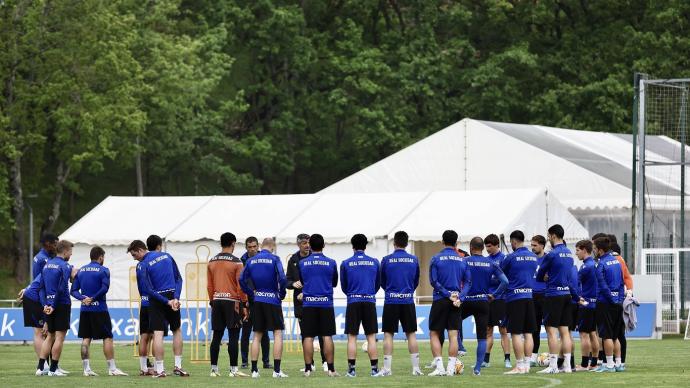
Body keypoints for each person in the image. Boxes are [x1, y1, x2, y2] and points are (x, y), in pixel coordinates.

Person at [70, 246, 127, 376]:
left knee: (86, 338)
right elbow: (105, 288)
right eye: (103, 257)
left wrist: (83, 299)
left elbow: (73, 291)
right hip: (99, 309)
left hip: (85, 309)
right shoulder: (104, 270)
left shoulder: (81, 270)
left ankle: (86, 369)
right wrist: (93, 298)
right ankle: (112, 369)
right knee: (107, 337)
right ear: (101, 257)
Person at [141, 234, 188, 377]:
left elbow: (148, 289)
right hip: (171, 296)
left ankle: (160, 370)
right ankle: (178, 366)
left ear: (148, 247)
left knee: (158, 334)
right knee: (177, 330)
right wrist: (175, 298)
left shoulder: (144, 263)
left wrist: (166, 301)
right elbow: (178, 279)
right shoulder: (168, 256)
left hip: (157, 299)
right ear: (159, 246)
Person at [239, 238, 288, 378]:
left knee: (257, 335)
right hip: (272, 299)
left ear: (260, 246)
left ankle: (254, 371)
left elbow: (241, 280)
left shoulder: (250, 260)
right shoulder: (274, 258)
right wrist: (281, 294)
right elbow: (283, 278)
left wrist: (251, 293)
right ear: (272, 246)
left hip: (258, 299)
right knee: (277, 333)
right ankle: (277, 371)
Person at [535, 224, 580, 374]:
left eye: (548, 236)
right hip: (566, 294)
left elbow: (540, 274)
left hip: (553, 295)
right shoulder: (569, 253)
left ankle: (553, 366)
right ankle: (567, 365)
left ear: (553, 236)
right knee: (565, 331)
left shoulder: (552, 254)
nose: (548, 239)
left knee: (551, 331)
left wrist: (546, 277)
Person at [427, 230, 471, 377]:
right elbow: (469, 282)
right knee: (453, 335)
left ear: (442, 241)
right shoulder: (462, 260)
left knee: (434, 333)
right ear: (456, 243)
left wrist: (447, 294)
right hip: (456, 301)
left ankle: (440, 368)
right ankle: (451, 369)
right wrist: (460, 297)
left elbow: (434, 281)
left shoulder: (436, 258)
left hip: (441, 299)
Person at [463, 236, 508, 376]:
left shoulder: (465, 261)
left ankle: (459, 347)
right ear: (483, 248)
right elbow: (505, 281)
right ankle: (477, 368)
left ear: (471, 247)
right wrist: (494, 295)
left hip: (467, 300)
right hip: (483, 302)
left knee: (453, 323)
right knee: (482, 337)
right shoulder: (490, 263)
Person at [380, 231, 422, 376]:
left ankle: (387, 369)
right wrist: (407, 291)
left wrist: (392, 291)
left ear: (394, 243)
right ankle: (416, 369)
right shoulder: (414, 259)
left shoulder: (386, 259)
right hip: (407, 300)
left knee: (388, 335)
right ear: (407, 243)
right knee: (411, 334)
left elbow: (382, 281)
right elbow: (415, 281)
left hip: (391, 300)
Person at [297, 234, 339, 377]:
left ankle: (308, 369)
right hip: (326, 303)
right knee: (327, 336)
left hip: (309, 304)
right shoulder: (331, 262)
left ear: (310, 245)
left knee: (308, 337)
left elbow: (303, 281)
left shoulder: (303, 263)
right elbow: (334, 283)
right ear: (323, 246)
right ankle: (331, 369)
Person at [207, 232, 248, 377]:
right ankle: (233, 370)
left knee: (216, 336)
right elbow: (240, 286)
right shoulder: (237, 262)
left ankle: (214, 369)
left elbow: (209, 286)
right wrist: (244, 303)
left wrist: (213, 301)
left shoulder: (212, 261)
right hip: (232, 302)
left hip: (217, 300)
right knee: (233, 336)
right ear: (233, 243)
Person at [340, 234, 381, 377]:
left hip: (353, 301)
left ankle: (351, 371)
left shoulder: (345, 263)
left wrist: (353, 294)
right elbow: (377, 284)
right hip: (369, 301)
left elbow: (344, 286)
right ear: (365, 246)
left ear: (352, 246)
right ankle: (374, 370)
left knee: (352, 337)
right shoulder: (374, 262)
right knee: (371, 337)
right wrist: (369, 293)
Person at [286, 233, 327, 372]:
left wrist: (307, 291)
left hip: (316, 299)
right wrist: (293, 284)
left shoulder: (315, 257)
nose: (307, 245)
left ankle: (325, 362)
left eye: (308, 242)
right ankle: (310, 365)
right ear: (298, 244)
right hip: (300, 303)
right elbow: (287, 281)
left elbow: (319, 279)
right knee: (306, 334)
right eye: (304, 243)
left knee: (322, 333)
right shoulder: (293, 260)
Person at [501, 230, 538, 375]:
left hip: (515, 298)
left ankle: (519, 365)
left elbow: (500, 274)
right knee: (528, 333)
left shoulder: (510, 257)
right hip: (529, 297)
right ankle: (527, 365)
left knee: (516, 333)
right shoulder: (533, 257)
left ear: (513, 242)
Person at [36, 240, 74, 377]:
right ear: (65, 251)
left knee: (49, 336)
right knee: (59, 337)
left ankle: (40, 368)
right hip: (61, 303)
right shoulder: (65, 266)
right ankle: (53, 369)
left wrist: (45, 304)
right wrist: (53, 305)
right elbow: (61, 287)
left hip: (48, 304)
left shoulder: (46, 265)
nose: (71, 254)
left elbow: (41, 287)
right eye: (70, 252)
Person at [592, 236, 625, 373]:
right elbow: (622, 282)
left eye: (594, 248)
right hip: (618, 302)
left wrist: (611, 299)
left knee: (606, 335)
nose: (593, 251)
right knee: (616, 335)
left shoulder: (601, 264)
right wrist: (619, 299)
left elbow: (603, 286)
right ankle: (619, 364)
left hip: (605, 303)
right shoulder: (616, 261)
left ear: (599, 250)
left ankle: (609, 365)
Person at [127, 239, 160, 376]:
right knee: (154, 335)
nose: (134, 258)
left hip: (144, 303)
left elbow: (141, 287)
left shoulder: (139, 266)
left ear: (141, 250)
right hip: (153, 303)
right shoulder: (150, 263)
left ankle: (144, 368)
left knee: (144, 337)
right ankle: (158, 368)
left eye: (134, 255)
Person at [240, 236, 271, 369]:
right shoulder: (242, 261)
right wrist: (244, 302)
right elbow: (241, 282)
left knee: (263, 333)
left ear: (258, 246)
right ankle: (245, 361)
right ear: (246, 247)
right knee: (246, 333)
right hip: (248, 302)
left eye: (254, 247)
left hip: (262, 300)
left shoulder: (263, 259)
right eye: (249, 247)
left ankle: (265, 361)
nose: (252, 249)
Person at [484, 234, 511, 369]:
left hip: (501, 299)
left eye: (489, 246)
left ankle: (507, 359)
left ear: (496, 245)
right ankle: (486, 360)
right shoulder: (485, 261)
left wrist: (496, 293)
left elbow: (506, 280)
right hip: (488, 300)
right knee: (488, 330)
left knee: (503, 331)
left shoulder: (504, 259)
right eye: (486, 246)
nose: (487, 249)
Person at [574, 240, 599, 371]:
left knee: (584, 334)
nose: (576, 253)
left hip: (586, 304)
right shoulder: (595, 264)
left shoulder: (585, 267)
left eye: (578, 250)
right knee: (593, 333)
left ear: (584, 250)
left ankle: (584, 364)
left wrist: (578, 298)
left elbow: (576, 283)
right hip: (596, 304)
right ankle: (594, 363)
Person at [609, 235, 633, 371]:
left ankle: (617, 361)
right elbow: (628, 278)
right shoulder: (619, 259)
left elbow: (627, 278)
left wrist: (628, 291)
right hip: (619, 298)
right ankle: (618, 361)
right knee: (617, 333)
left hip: (616, 299)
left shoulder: (616, 259)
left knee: (616, 333)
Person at [18, 273, 48, 363]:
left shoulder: (50, 265)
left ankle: (50, 366)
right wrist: (44, 306)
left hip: (32, 297)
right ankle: (43, 365)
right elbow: (41, 288)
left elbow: (37, 282)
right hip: (33, 299)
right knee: (39, 332)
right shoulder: (44, 260)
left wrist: (27, 288)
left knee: (46, 334)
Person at [529, 235, 547, 366]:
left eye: (535, 245)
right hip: (532, 296)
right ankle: (533, 357)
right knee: (534, 329)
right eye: (532, 245)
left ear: (542, 245)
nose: (532, 247)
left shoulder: (549, 258)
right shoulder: (530, 258)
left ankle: (555, 359)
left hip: (546, 296)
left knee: (550, 328)